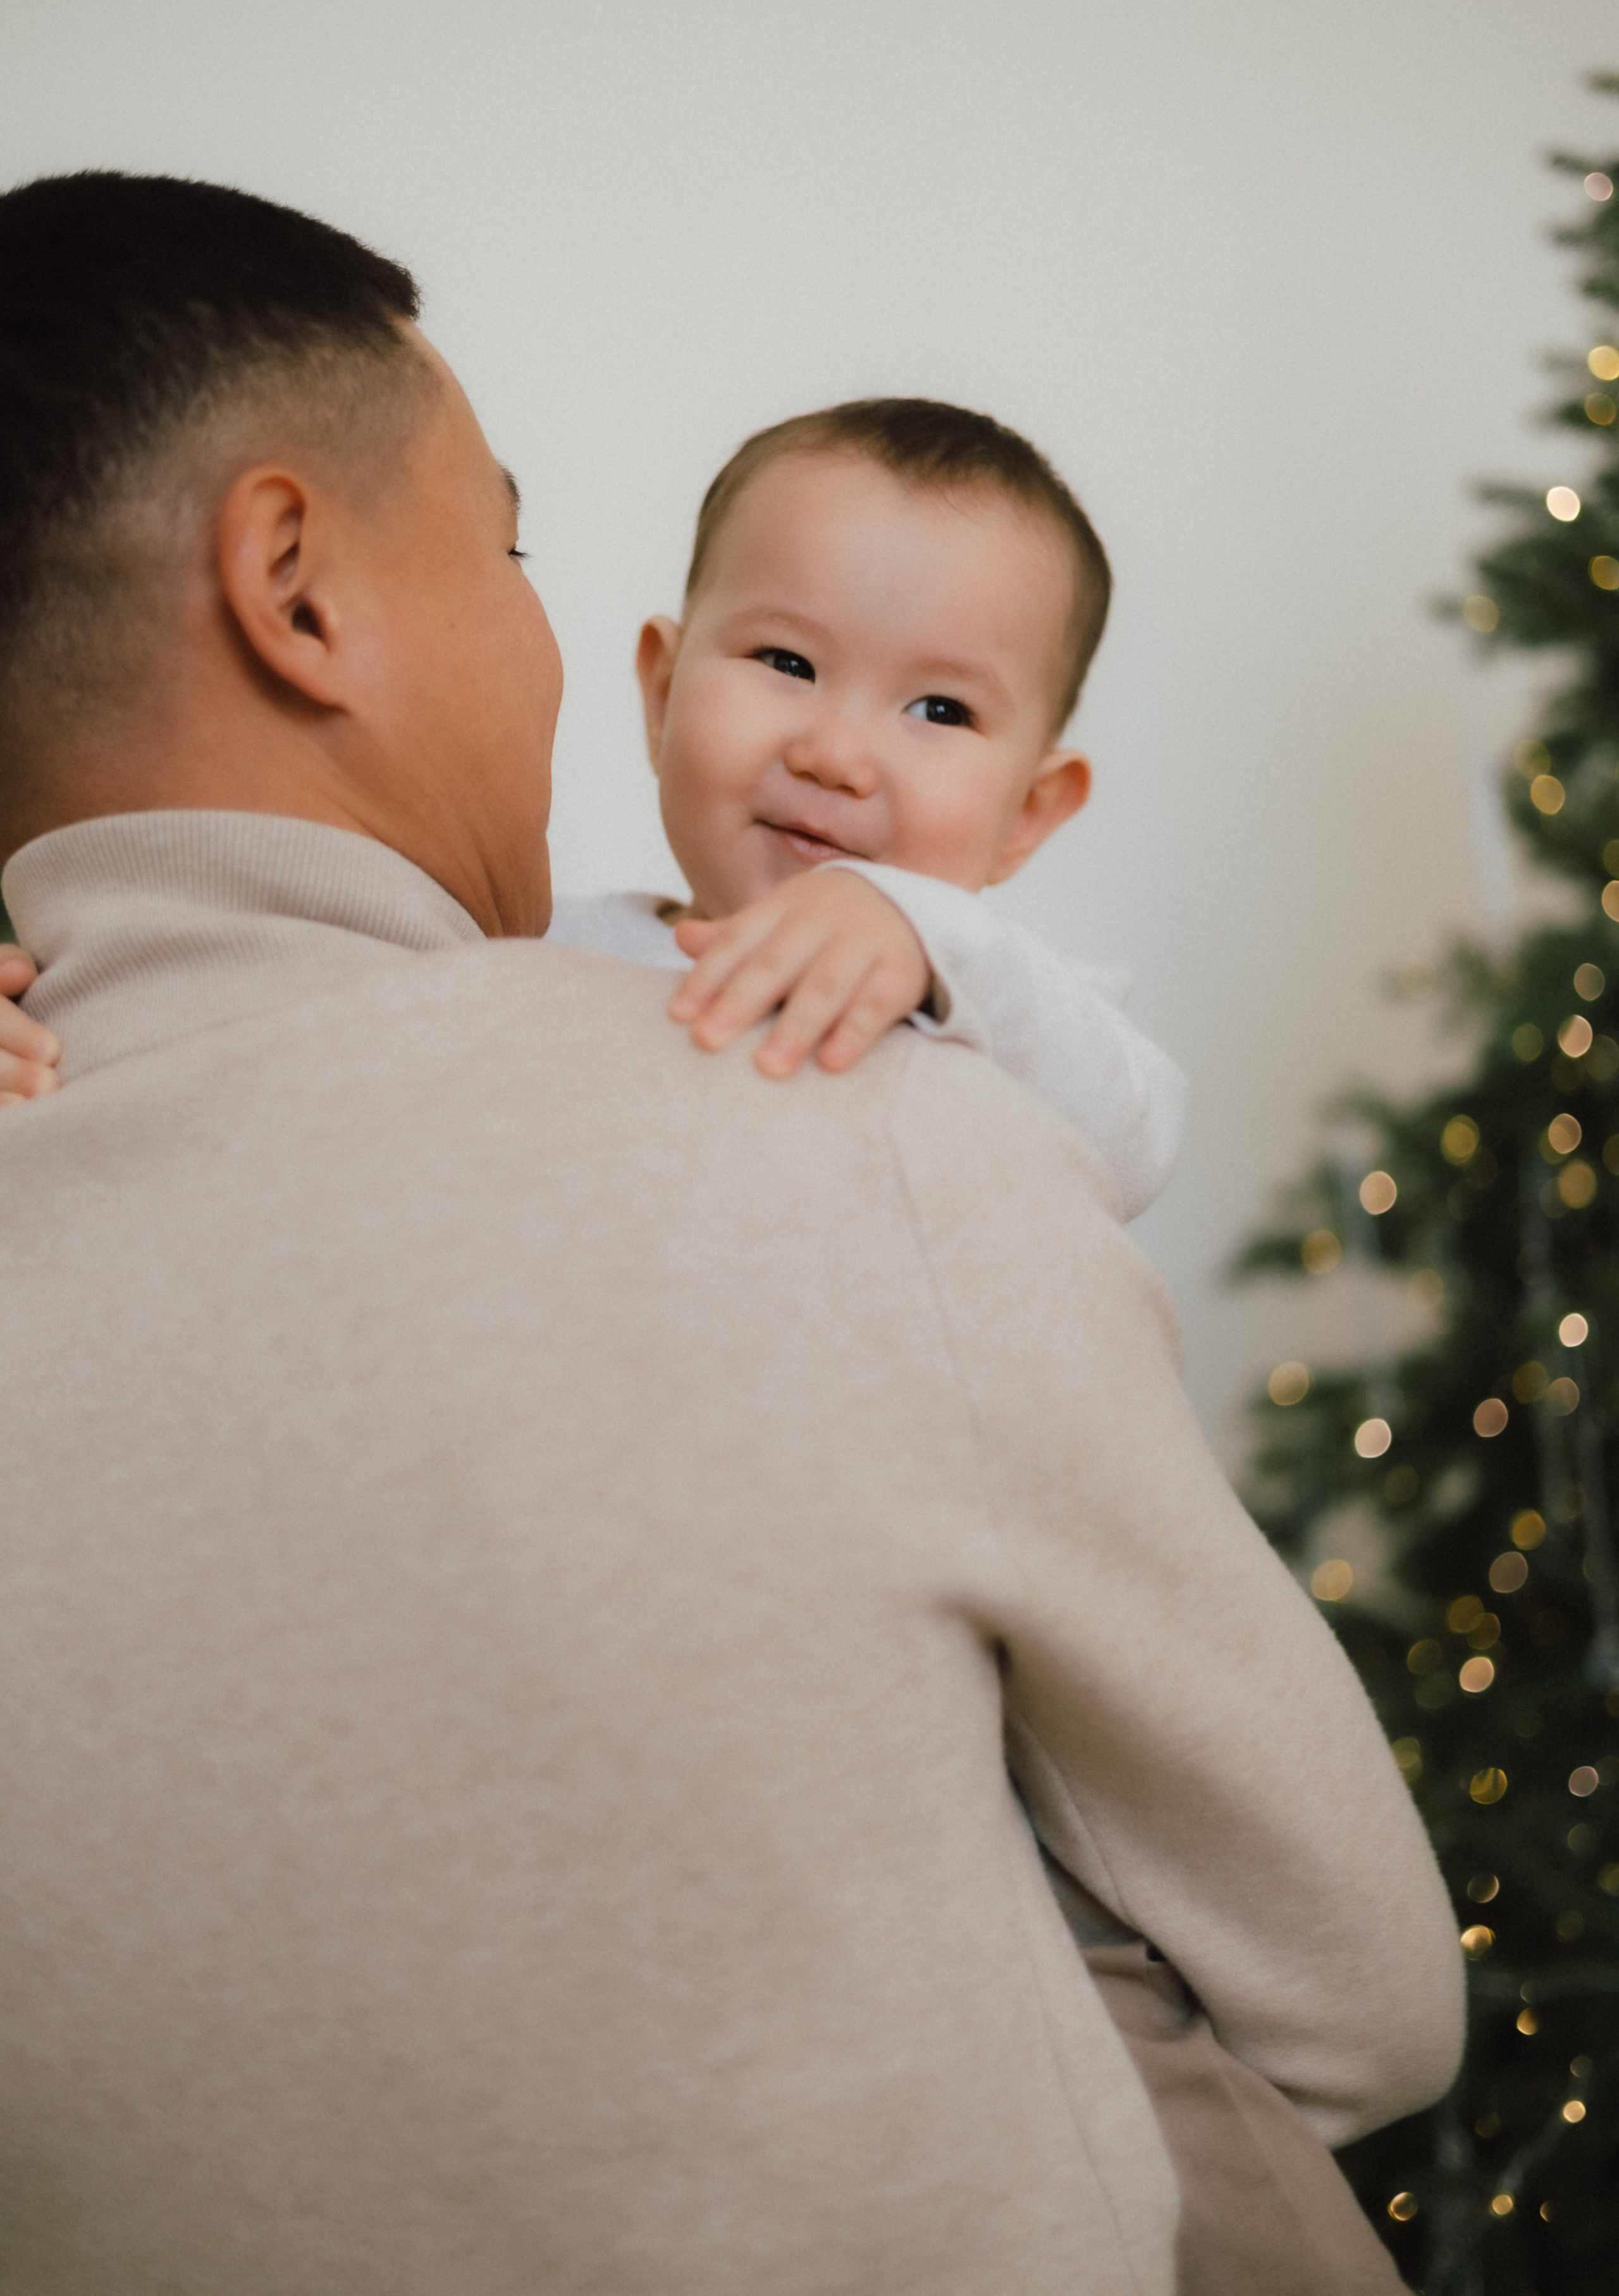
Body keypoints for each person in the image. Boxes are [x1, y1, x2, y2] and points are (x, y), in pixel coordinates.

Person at [0, 169, 1463, 2296]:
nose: (839, 754)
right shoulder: (845, 1119)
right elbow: (1367, 2008)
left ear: (1035, 803)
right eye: (506, 547)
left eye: (940, 711)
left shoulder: (918, 1019)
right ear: (293, 588)